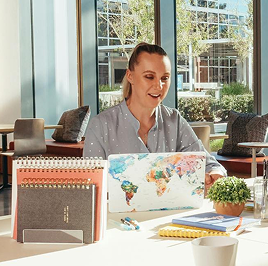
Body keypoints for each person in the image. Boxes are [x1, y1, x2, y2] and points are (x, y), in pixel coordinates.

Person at [84, 42, 226, 189]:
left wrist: (215, 173)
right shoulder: (101, 126)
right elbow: (90, 190)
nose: (159, 86)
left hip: (173, 212)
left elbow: (209, 164)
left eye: (164, 78)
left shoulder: (174, 121)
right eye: (149, 76)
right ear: (130, 76)